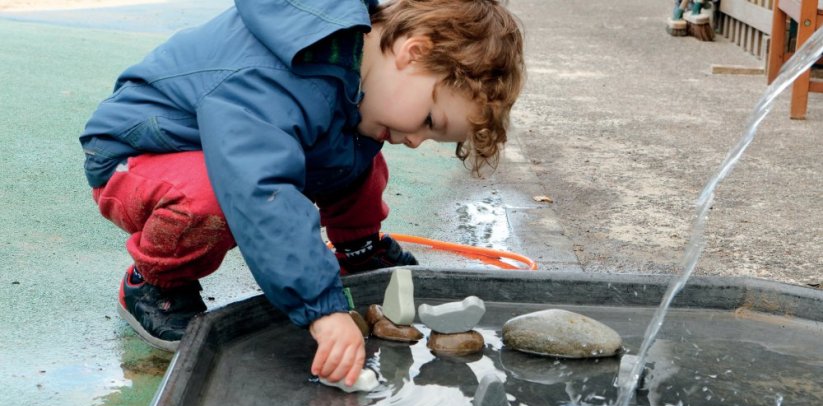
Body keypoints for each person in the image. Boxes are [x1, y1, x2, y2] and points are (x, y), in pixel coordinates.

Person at [79, 0, 524, 386]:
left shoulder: (355, 68)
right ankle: (155, 284)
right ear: (414, 52)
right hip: (141, 154)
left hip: (226, 146)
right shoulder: (278, 74)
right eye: (430, 121)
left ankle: (360, 249)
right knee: (210, 199)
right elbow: (260, 189)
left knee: (356, 152)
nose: (416, 140)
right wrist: (323, 309)